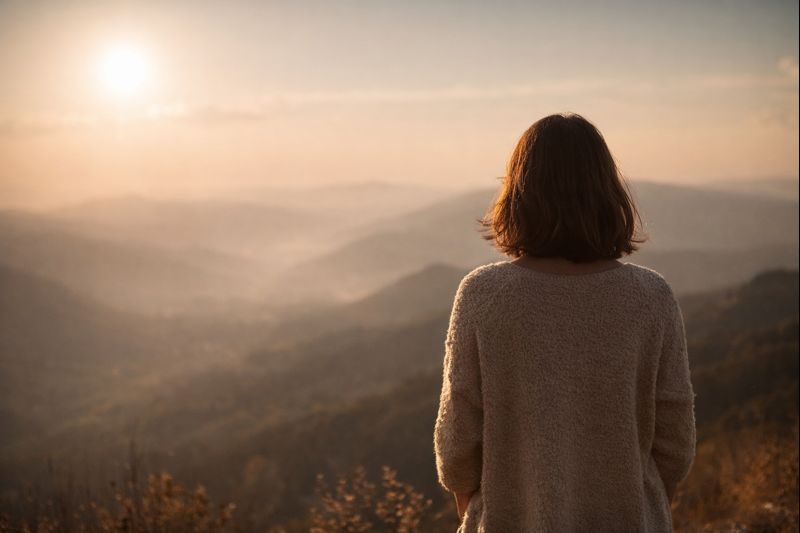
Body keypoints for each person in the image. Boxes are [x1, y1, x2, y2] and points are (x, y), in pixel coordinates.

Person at [433, 113, 697, 532]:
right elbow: (675, 442)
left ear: (518, 193)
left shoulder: (483, 295)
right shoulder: (651, 297)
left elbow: (457, 444)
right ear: (608, 192)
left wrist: (480, 511)